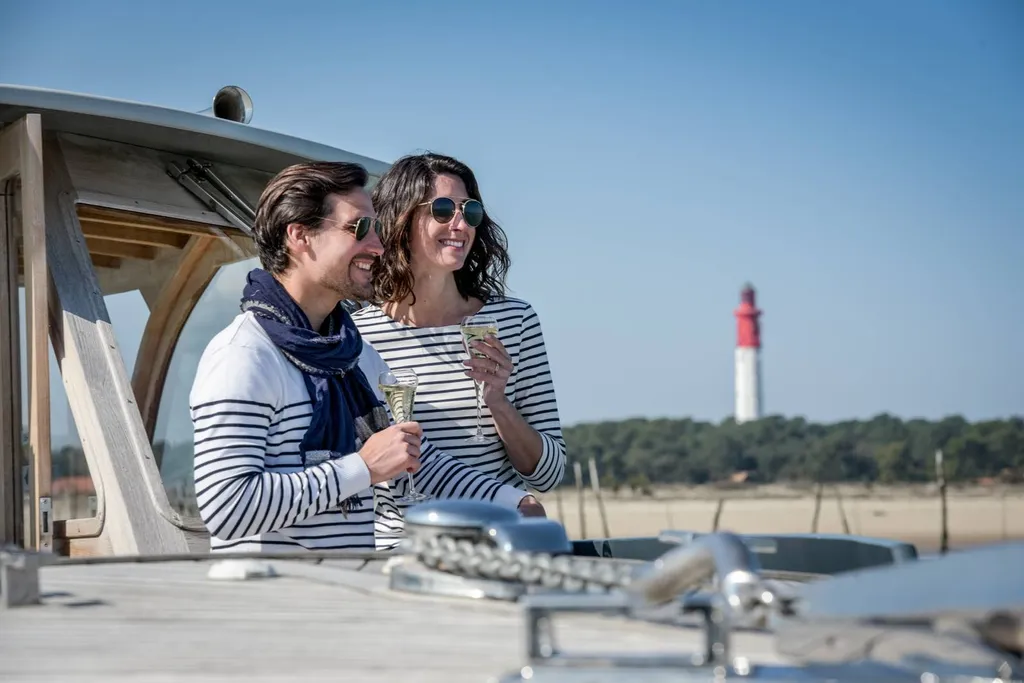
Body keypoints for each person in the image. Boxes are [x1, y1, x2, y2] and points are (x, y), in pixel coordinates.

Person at [189, 161, 544, 553]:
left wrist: (515, 503)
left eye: (375, 230)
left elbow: (414, 459)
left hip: (345, 601)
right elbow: (227, 507)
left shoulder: (357, 357)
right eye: (359, 228)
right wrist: (362, 468)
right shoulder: (244, 355)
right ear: (299, 236)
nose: (377, 246)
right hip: (274, 606)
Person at [351, 152, 566, 505]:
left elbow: (548, 474)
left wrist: (498, 400)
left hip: (496, 540)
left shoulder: (515, 322)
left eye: (470, 211)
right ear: (400, 220)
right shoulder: (358, 337)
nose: (461, 224)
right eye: (442, 210)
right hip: (399, 548)